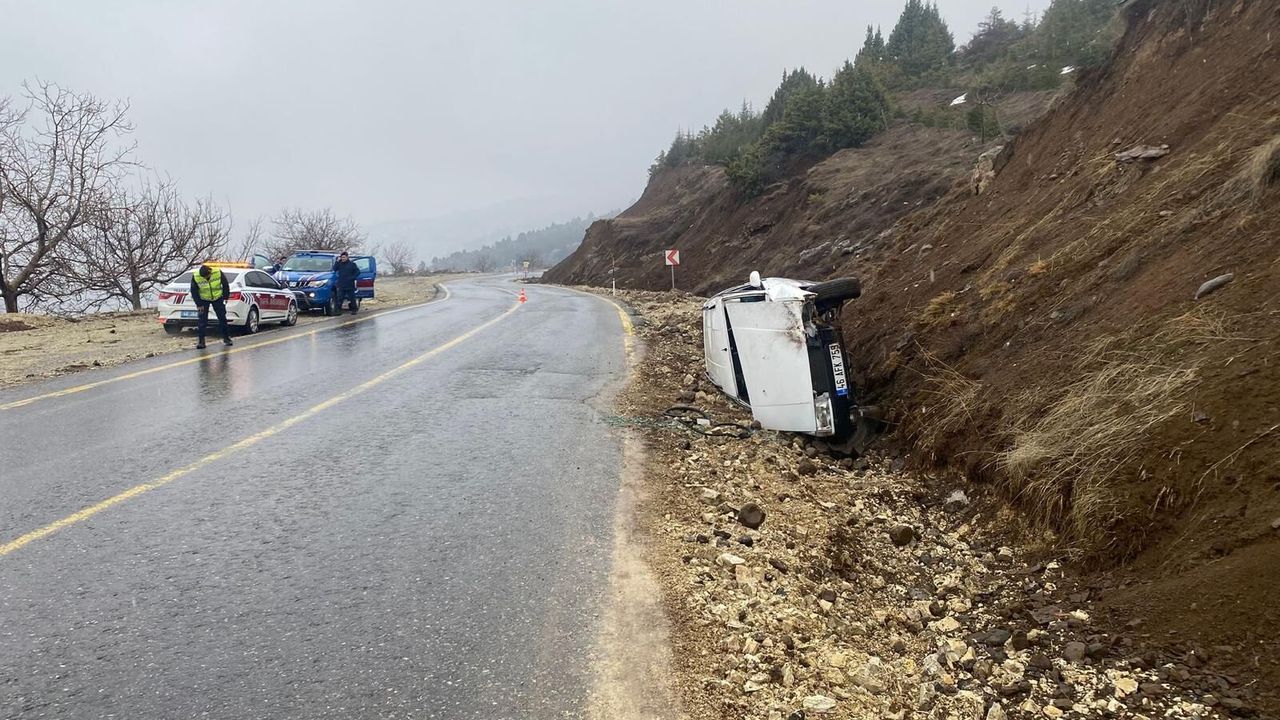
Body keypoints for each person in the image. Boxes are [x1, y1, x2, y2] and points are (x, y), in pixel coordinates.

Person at [189, 264, 233, 349]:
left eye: (207, 276)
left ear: (210, 272)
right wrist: (199, 304)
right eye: (204, 277)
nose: (205, 278)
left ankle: (227, 339)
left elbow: (225, 285)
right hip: (203, 299)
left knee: (222, 318)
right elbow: (194, 291)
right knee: (202, 321)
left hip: (217, 298)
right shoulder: (196, 276)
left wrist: (225, 298)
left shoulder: (217, 272)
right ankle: (201, 342)